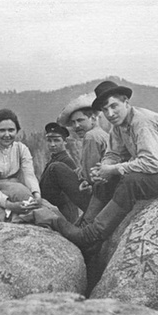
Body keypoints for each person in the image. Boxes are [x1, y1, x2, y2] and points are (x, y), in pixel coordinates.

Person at [52, 81, 158, 250]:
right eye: (105, 109)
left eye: (114, 106)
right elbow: (113, 154)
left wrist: (113, 169)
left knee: (131, 181)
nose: (110, 113)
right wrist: (104, 170)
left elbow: (153, 163)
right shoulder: (119, 126)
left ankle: (92, 234)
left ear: (125, 101)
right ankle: (85, 225)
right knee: (107, 179)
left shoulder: (142, 122)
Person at [0, 109, 45, 223]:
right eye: (2, 130)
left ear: (17, 131)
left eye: (11, 130)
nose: (7, 135)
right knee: (20, 197)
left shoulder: (21, 149)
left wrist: (37, 194)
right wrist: (9, 205)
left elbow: (29, 175)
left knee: (33, 201)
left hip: (14, 189)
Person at [55, 93, 109, 221]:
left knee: (56, 169)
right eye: (73, 122)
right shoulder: (102, 134)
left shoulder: (91, 136)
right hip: (103, 188)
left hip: (97, 192)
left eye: (80, 120)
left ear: (93, 119)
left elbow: (90, 175)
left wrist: (84, 179)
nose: (76, 126)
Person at [39, 122, 79, 222]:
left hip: (65, 212)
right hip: (55, 210)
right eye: (49, 140)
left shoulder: (67, 161)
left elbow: (72, 192)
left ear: (65, 142)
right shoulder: (53, 160)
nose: (52, 144)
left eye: (56, 140)